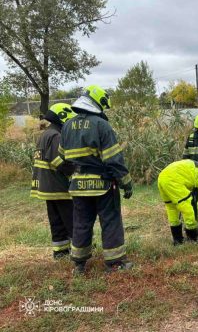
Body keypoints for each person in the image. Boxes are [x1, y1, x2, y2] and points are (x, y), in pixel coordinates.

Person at [59, 85, 133, 275]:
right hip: (103, 185)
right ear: (98, 103)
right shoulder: (101, 125)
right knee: (110, 221)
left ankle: (79, 265)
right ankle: (114, 263)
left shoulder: (67, 126)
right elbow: (114, 159)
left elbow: (62, 159)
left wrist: (75, 175)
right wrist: (126, 183)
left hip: (77, 185)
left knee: (81, 223)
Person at [31, 103, 76, 259]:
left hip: (47, 187)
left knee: (56, 222)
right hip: (58, 186)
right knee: (71, 219)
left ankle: (60, 252)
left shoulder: (46, 134)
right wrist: (74, 170)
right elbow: (58, 161)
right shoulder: (56, 135)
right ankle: (78, 249)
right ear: (63, 117)